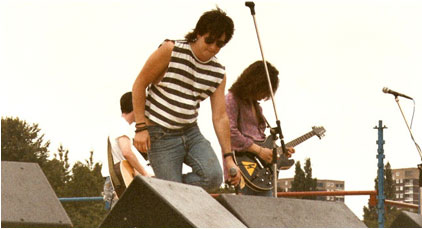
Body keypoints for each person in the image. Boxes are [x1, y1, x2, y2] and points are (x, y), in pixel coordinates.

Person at [132, 7, 240, 192]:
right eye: (210, 40)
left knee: (213, 177)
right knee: (174, 193)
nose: (213, 47)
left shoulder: (218, 73)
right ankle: (165, 190)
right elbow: (139, 85)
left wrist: (229, 156)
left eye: (219, 44)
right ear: (198, 33)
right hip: (160, 134)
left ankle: (161, 191)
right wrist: (141, 127)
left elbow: (220, 116)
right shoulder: (171, 50)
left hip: (191, 132)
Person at [226, 60, 295, 196]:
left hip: (263, 172)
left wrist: (277, 151)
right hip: (242, 168)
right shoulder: (231, 99)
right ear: (254, 84)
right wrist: (259, 151)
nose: (265, 96)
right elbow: (229, 133)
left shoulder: (257, 107)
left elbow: (263, 140)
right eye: (264, 90)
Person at [107, 92, 152, 198]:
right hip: (127, 181)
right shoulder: (122, 125)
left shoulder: (120, 125)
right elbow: (126, 152)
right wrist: (144, 174)